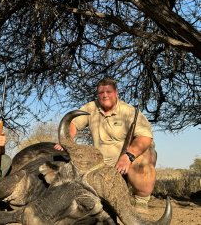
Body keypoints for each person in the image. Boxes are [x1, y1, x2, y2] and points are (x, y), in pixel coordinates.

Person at [55, 78, 157, 211]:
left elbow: (145, 137)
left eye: (108, 91)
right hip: (102, 163)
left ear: (116, 93)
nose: (104, 95)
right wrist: (67, 141)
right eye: (101, 92)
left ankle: (141, 201)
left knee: (145, 156)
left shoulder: (130, 112)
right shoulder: (91, 107)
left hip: (126, 160)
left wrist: (128, 156)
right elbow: (73, 123)